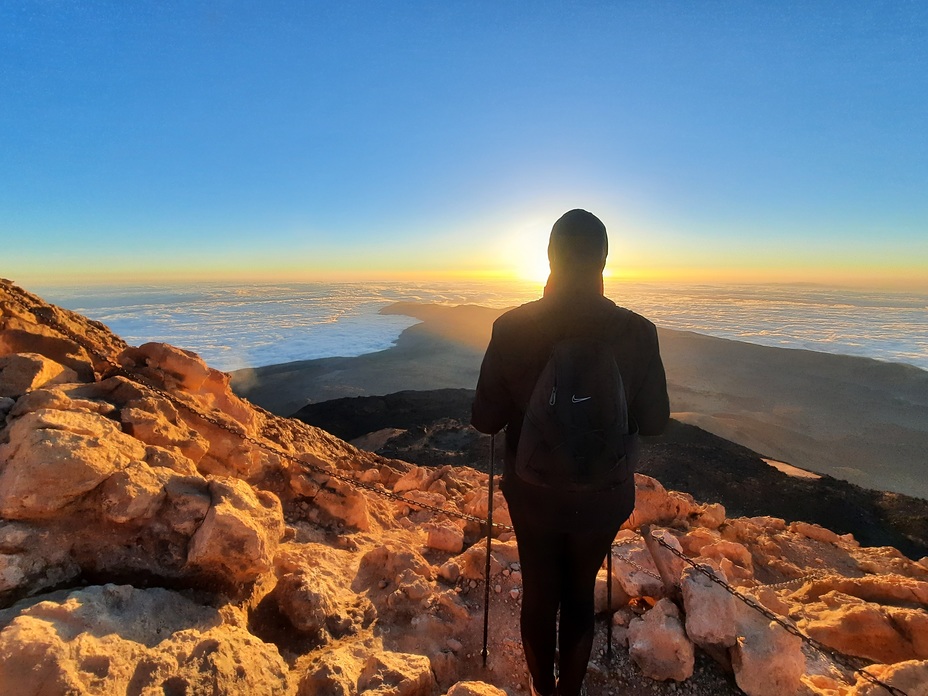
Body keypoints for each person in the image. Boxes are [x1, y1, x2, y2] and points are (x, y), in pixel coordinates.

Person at [471, 209, 670, 696]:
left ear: (550, 257)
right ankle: (570, 692)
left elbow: (484, 420)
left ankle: (541, 688)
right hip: (603, 496)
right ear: (604, 259)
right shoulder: (638, 332)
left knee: (540, 592)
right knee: (579, 591)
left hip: (533, 492)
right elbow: (657, 422)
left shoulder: (513, 327)